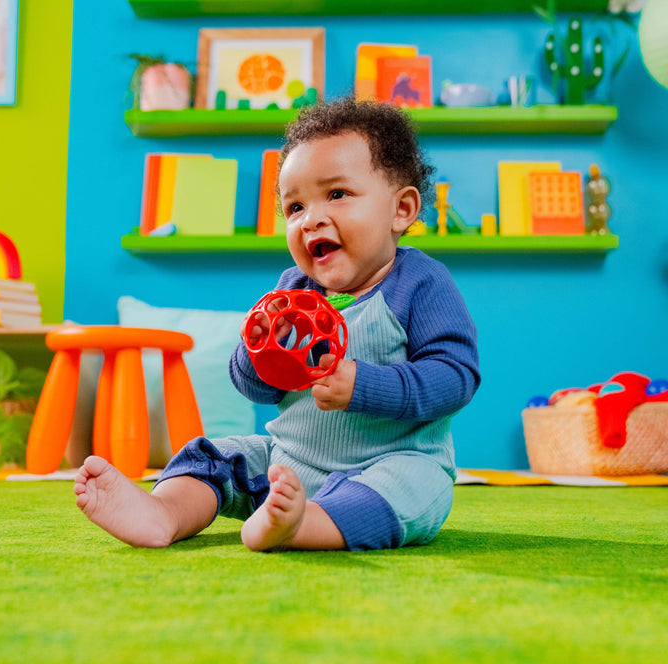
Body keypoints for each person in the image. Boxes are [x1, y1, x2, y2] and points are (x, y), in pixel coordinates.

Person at [74, 98, 480, 552]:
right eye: (295, 208)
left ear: (401, 210)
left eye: (337, 194)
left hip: (388, 464)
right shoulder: (292, 290)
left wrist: (363, 385)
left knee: (415, 487)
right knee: (211, 455)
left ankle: (304, 525)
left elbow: (455, 378)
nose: (312, 220)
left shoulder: (421, 284)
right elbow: (256, 387)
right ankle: (163, 512)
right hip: (288, 464)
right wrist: (257, 347)